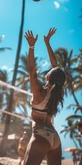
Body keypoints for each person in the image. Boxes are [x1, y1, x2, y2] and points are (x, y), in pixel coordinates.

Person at [24, 28, 66, 165]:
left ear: (48, 76)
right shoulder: (58, 91)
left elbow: (32, 72)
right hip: (55, 138)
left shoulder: (39, 92)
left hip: (41, 135)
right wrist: (47, 43)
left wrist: (31, 46)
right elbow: (56, 69)